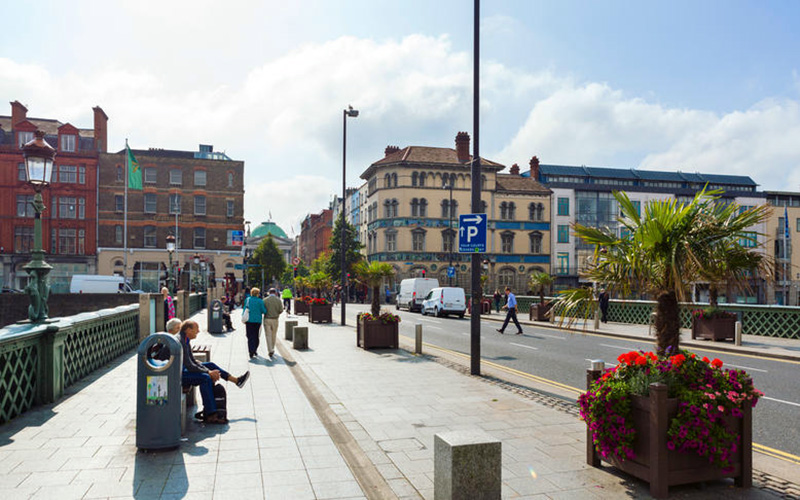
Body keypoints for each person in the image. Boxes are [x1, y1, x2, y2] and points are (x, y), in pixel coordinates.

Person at [179, 320, 250, 424]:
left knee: (210, 365)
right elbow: (189, 365)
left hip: (183, 369)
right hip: (178, 375)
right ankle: (211, 413)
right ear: (188, 330)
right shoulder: (181, 341)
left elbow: (192, 361)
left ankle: (236, 380)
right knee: (205, 378)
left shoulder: (185, 339)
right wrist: (208, 373)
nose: (198, 331)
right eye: (196, 329)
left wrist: (209, 370)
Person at [243, 287, 267, 358]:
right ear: (258, 294)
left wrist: (243, 317)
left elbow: (245, 309)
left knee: (249, 336)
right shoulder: (260, 301)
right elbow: (264, 311)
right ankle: (255, 349)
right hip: (257, 321)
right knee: (256, 336)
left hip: (248, 320)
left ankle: (251, 351)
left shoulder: (247, 300)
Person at [263, 288, 283, 359]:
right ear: (275, 293)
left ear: (269, 292)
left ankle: (270, 349)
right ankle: (272, 347)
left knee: (268, 335)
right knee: (274, 334)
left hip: (267, 319)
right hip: (275, 319)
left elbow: (263, 310)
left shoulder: (265, 300)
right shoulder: (278, 300)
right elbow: (281, 310)